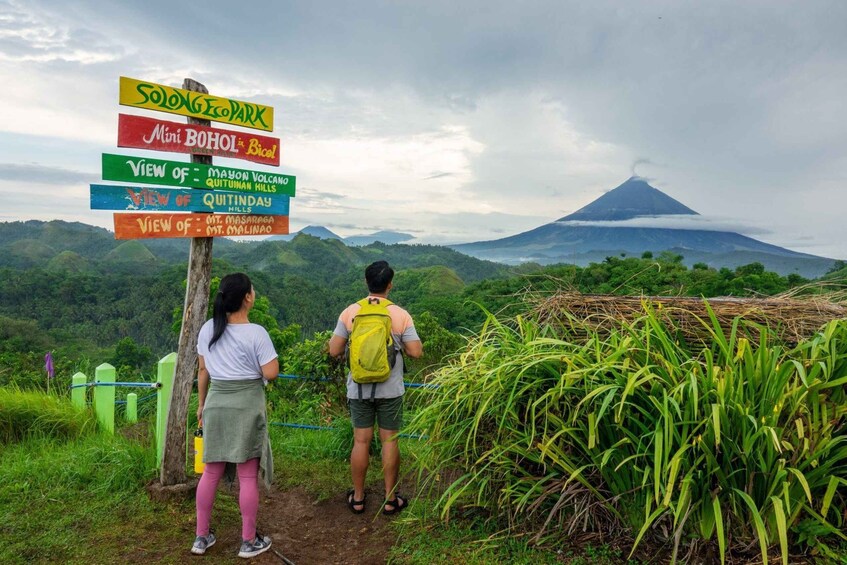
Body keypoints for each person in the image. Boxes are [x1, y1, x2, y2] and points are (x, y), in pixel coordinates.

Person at [192, 273, 279, 559]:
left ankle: (201, 537)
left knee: (211, 472)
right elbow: (271, 373)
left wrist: (202, 405)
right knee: (247, 476)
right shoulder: (256, 333)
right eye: (253, 290)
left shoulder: (208, 329)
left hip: (216, 402)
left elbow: (203, 371)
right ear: (247, 298)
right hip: (247, 405)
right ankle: (247, 541)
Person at [329, 261, 423, 515]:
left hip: (358, 388)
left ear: (366, 282)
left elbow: (334, 349)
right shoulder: (400, 314)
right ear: (390, 285)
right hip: (390, 390)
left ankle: (358, 498)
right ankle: (391, 500)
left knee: (361, 440)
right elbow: (416, 351)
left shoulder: (351, 312)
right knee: (389, 441)